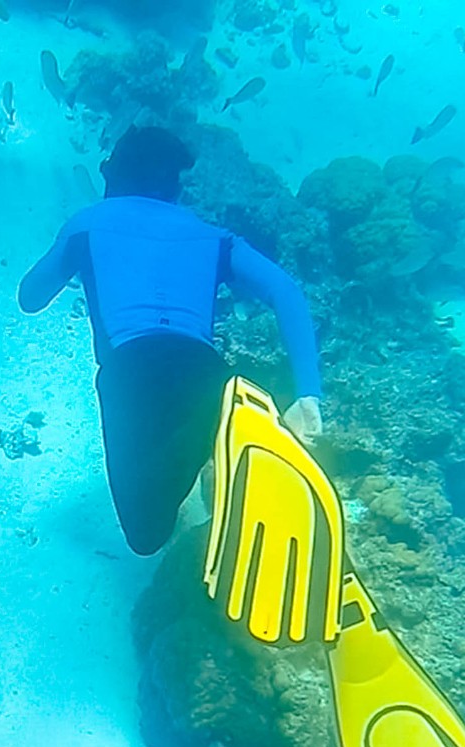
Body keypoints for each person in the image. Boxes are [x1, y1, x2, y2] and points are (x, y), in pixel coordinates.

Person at [17, 125, 325, 556]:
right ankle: (219, 450)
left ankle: (205, 479)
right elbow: (286, 292)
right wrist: (308, 394)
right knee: (187, 450)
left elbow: (29, 298)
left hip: (131, 373)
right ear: (176, 187)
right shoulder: (213, 235)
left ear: (111, 175)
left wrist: (76, 255)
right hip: (207, 372)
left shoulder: (86, 224)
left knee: (145, 537)